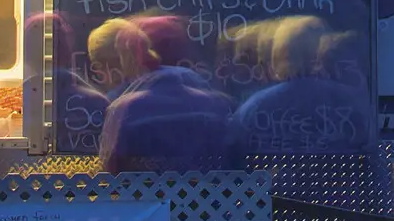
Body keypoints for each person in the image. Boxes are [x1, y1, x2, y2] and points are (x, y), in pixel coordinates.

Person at [95, 13, 236, 172]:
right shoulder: (214, 102)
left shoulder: (122, 109)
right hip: (209, 194)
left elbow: (109, 170)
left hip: (143, 195)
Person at [229, 16, 373, 160]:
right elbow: (370, 153)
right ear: (321, 52)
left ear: (279, 55)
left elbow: (234, 158)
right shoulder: (353, 104)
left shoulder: (253, 109)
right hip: (342, 180)